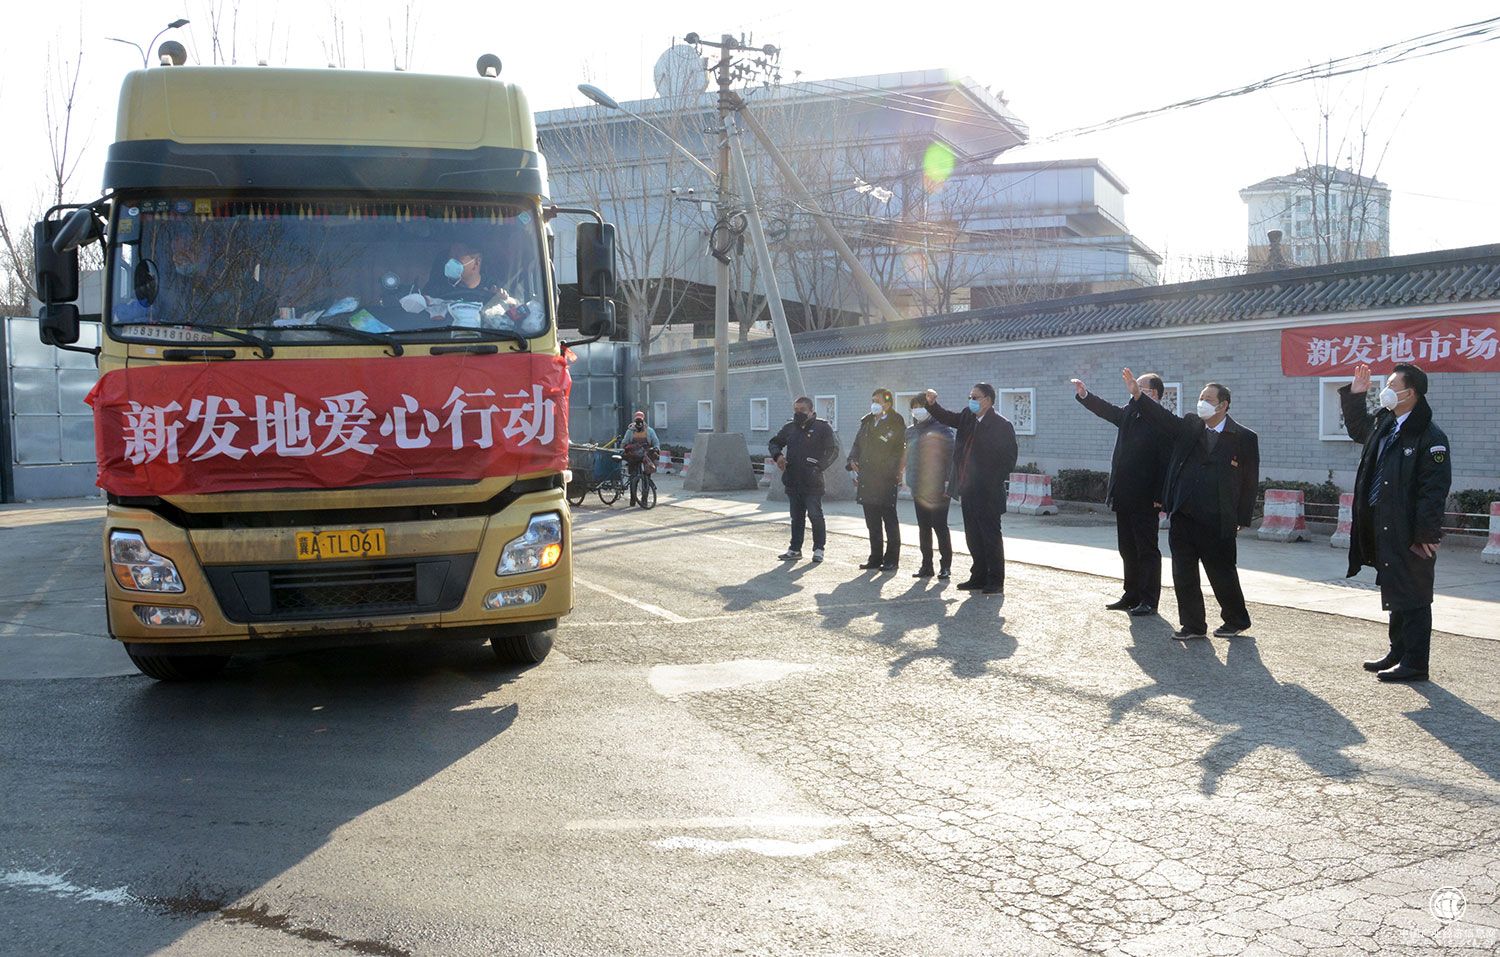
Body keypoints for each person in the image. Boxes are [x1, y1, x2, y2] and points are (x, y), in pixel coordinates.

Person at [1124, 368, 1258, 640]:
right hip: (1184, 513)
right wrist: (1139, 396)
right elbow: (1162, 418)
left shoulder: (1243, 437)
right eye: (1201, 397)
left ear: (1223, 405)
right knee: (1183, 573)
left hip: (1218, 517)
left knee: (1222, 572)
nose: (1202, 402)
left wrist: (1241, 518)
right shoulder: (1189, 426)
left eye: (1208, 399)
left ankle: (1236, 619)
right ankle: (1193, 626)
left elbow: (1249, 482)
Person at [1340, 361, 1451, 682]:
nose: (1385, 390)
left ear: (1410, 392)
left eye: (1392, 385)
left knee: (1414, 593)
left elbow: (1434, 490)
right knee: (1395, 587)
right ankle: (1397, 651)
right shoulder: (1386, 424)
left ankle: (1416, 662)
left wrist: (1426, 533)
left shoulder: (1430, 437)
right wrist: (1356, 395)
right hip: (1382, 523)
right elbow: (1358, 428)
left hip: (1410, 530)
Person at [1071, 373, 1173, 617]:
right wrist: (1085, 395)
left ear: (1154, 394)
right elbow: (1107, 410)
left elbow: (1165, 463)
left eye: (1139, 387)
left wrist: (1160, 497)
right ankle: (1131, 594)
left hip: (1147, 497)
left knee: (1146, 549)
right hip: (1124, 494)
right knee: (1127, 548)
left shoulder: (1161, 420)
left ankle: (1149, 600)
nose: (1133, 390)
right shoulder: (1129, 413)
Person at [921, 384, 1018, 596]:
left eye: (975, 397)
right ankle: (978, 576)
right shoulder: (967, 416)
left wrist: (990, 481)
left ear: (989, 400)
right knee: (973, 536)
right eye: (970, 396)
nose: (971, 400)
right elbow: (947, 417)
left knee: (990, 537)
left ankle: (995, 580)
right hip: (968, 488)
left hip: (989, 492)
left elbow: (1009, 460)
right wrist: (932, 405)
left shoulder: (1001, 425)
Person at [768, 396, 841, 563]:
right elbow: (774, 443)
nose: (798, 413)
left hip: (813, 481)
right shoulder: (789, 427)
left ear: (811, 411)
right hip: (793, 479)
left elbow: (833, 450)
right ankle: (795, 549)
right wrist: (778, 455)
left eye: (802, 410)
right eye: (796, 410)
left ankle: (819, 549)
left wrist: (818, 467)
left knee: (815, 515)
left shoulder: (822, 428)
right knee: (796, 516)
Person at [847, 388, 907, 571]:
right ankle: (875, 558)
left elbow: (900, 450)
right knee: (872, 522)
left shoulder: (896, 422)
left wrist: (891, 469)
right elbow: (857, 444)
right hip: (867, 478)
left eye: (877, 400)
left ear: (887, 404)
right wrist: (852, 460)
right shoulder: (867, 421)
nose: (874, 403)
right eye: (872, 400)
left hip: (885, 478)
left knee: (889, 520)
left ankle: (891, 559)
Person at [905, 394, 956, 579]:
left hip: (939, 486)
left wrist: (948, 482)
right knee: (924, 527)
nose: (917, 410)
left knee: (940, 526)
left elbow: (951, 457)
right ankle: (926, 565)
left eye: (921, 406)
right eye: (914, 407)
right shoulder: (910, 431)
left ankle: (946, 566)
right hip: (919, 486)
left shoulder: (943, 429)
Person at [619, 411, 661, 507]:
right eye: (637, 421)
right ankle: (633, 499)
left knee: (646, 477)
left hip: (646, 456)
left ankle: (644, 500)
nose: (638, 424)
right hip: (633, 457)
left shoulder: (649, 431)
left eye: (640, 421)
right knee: (634, 477)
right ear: (634, 420)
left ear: (643, 420)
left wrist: (656, 448)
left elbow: (656, 442)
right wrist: (624, 449)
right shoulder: (630, 431)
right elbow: (624, 442)